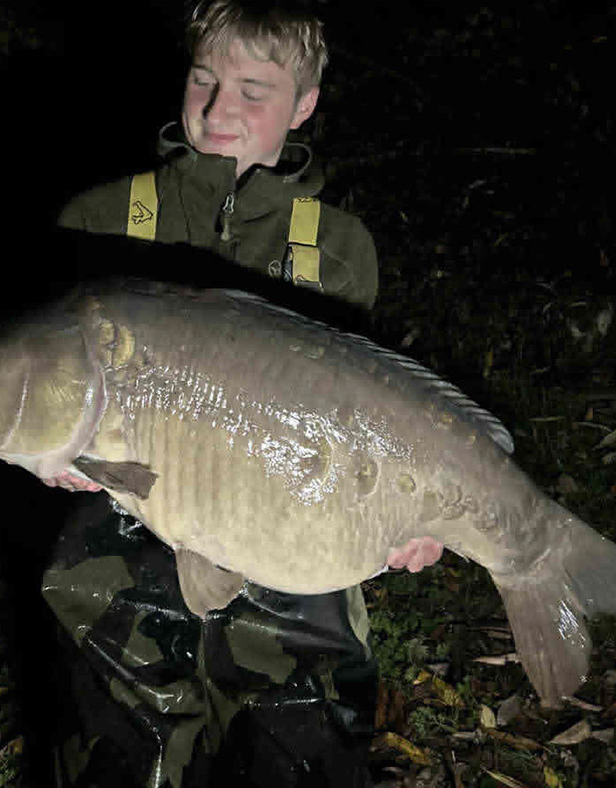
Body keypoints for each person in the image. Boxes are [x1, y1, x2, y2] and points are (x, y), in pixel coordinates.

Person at [43, 2, 442, 785]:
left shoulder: (335, 244)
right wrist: (40, 450)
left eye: (253, 91)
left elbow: (368, 410)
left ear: (303, 107)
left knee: (300, 720)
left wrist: (414, 505)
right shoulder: (99, 217)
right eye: (204, 80)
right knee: (119, 726)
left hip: (287, 513)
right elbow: (45, 379)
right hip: (127, 510)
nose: (220, 110)